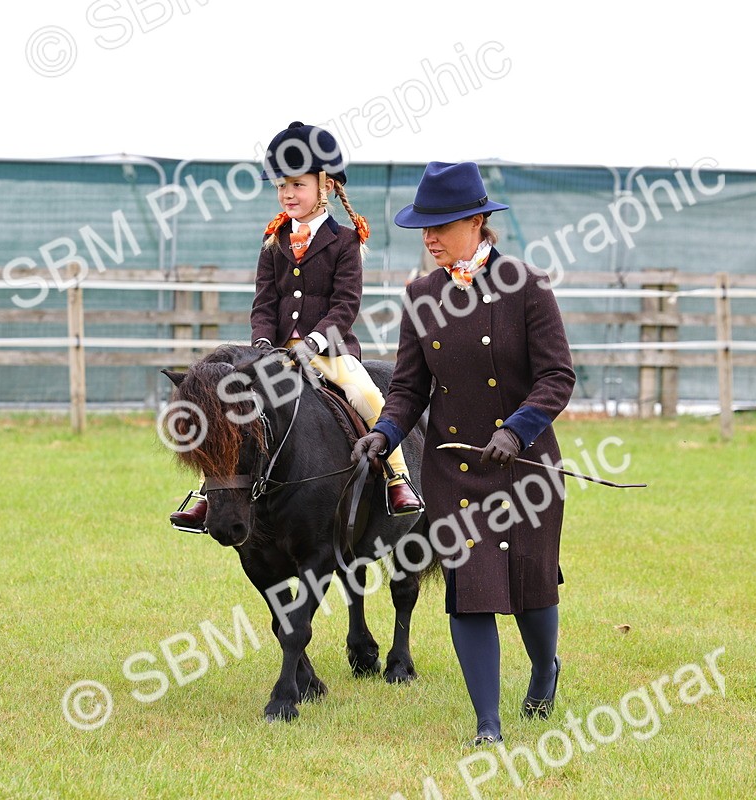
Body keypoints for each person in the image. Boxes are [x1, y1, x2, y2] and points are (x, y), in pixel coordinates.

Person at [352, 161, 576, 745]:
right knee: (470, 593)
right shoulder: (420, 296)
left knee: (530, 589)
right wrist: (385, 433)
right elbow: (408, 389)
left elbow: (558, 376)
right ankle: (488, 726)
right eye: (422, 227)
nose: (429, 237)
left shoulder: (527, 285)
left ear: (477, 221)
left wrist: (518, 430)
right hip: (454, 474)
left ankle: (545, 669)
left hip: (525, 469)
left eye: (441, 224)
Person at [170, 122, 423, 532]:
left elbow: (346, 305)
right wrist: (262, 346)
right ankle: (205, 493)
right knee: (227, 411)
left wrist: (314, 341)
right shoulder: (273, 241)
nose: (288, 194)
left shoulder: (344, 242)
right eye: (281, 187)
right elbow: (264, 302)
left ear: (324, 186)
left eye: (297, 185)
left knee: (368, 394)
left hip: (329, 352)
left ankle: (398, 477)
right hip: (273, 356)